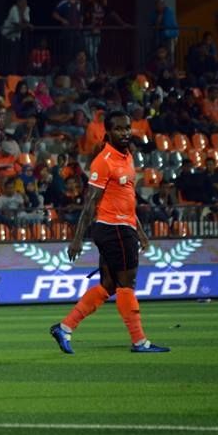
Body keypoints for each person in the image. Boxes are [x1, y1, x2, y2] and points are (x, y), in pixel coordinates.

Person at [50, 111, 170, 355]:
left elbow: (126, 198)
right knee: (127, 284)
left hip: (121, 227)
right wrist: (77, 239)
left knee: (108, 285)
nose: (125, 132)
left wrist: (139, 231)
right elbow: (90, 202)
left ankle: (65, 327)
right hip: (114, 229)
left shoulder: (127, 156)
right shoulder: (103, 161)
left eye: (127, 128)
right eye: (118, 129)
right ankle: (139, 341)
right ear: (108, 132)